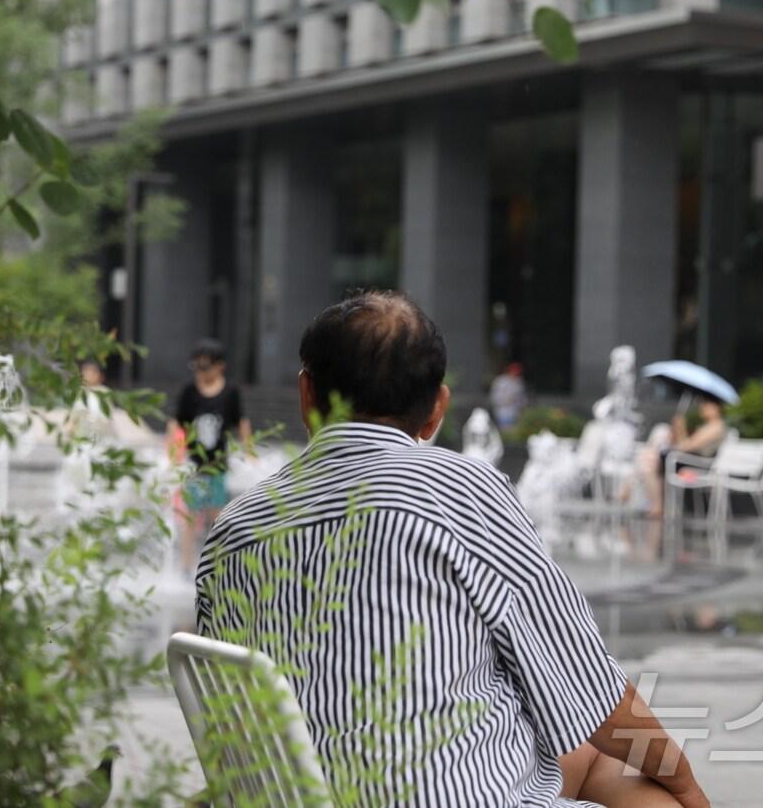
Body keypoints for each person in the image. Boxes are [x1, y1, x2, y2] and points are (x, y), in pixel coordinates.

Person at [196, 292, 708, 808]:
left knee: (580, 756)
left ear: (306, 395)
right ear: (436, 409)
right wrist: (687, 787)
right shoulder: (460, 490)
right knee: (630, 771)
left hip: (294, 797)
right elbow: (587, 689)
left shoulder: (234, 527)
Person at [169, 339, 251, 576]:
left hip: (218, 466)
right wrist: (173, 454)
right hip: (194, 466)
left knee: (218, 515)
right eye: (196, 367)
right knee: (190, 516)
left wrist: (250, 451)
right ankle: (185, 565)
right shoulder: (189, 392)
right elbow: (177, 424)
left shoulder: (230, 392)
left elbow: (242, 422)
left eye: (205, 367)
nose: (200, 373)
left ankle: (217, 567)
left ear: (219, 367)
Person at [633, 397, 728, 518]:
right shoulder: (707, 427)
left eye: (706, 405)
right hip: (688, 460)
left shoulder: (715, 427)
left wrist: (681, 428)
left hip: (697, 465)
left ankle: (656, 506)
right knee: (648, 462)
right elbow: (683, 445)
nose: (702, 408)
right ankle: (654, 504)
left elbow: (688, 446)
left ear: (716, 409)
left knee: (650, 462)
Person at [489, 361, 528, 430]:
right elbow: (495, 398)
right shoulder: (501, 381)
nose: (515, 374)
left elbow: (522, 399)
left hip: (516, 413)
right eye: (514, 371)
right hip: (503, 413)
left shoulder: (519, 382)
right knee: (505, 432)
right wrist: (507, 399)